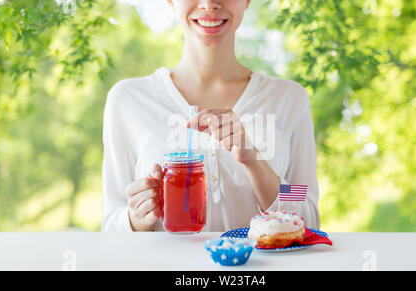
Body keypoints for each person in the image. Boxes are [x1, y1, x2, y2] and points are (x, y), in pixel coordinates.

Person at [102, 0, 320, 232]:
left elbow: (308, 213)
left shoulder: (289, 98)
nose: (209, 4)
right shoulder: (128, 99)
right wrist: (136, 217)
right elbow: (111, 225)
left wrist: (255, 162)